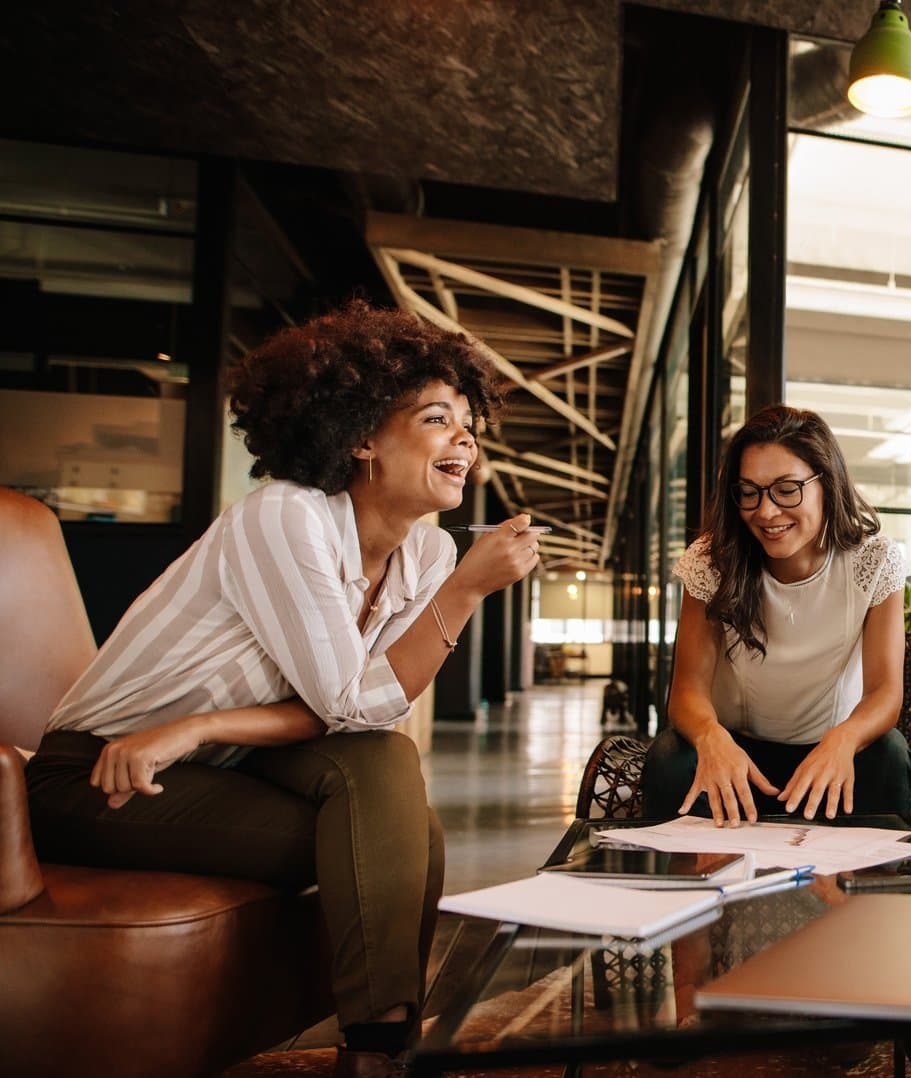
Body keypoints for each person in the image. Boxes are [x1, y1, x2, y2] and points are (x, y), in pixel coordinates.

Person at [25, 300, 540, 1078]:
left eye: (470, 422)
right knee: (400, 839)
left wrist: (196, 729)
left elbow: (357, 713)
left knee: (383, 768)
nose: (465, 438)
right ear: (360, 436)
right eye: (438, 418)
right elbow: (349, 701)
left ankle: (376, 1050)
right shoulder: (286, 518)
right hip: (96, 777)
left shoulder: (428, 554)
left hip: (216, 761)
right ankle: (384, 1052)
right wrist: (467, 595)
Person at [641, 404, 911, 825]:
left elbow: (885, 692)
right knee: (668, 760)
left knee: (889, 755)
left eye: (787, 489)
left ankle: (869, 888)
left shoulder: (874, 560)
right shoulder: (713, 562)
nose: (765, 512)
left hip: (828, 751)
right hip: (737, 755)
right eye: (749, 492)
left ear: (828, 483)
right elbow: (687, 690)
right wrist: (712, 738)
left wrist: (844, 740)